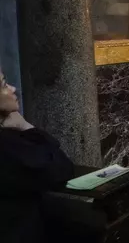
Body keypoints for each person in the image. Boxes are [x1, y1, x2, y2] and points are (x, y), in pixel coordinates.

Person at [0, 70, 75, 243]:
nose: (13, 89)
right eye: (4, 85)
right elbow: (61, 169)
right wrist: (25, 126)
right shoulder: (7, 147)